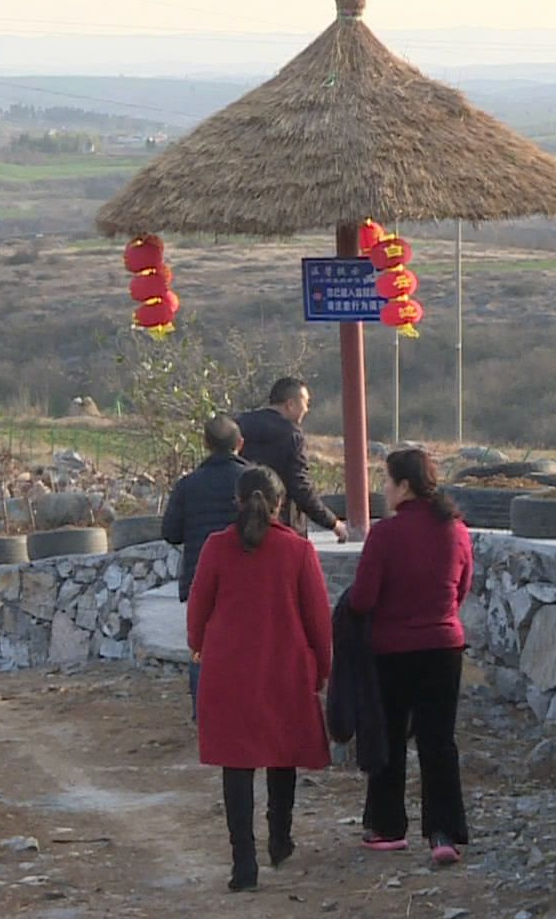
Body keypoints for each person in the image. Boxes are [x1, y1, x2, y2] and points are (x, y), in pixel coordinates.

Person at [186, 466, 333, 892]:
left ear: (236, 501)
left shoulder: (216, 548)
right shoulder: (299, 551)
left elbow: (198, 609)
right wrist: (322, 669)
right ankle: (280, 839)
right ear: (280, 504)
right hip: (285, 668)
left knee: (237, 764)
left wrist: (197, 647)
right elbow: (319, 621)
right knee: (281, 752)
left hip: (228, 671)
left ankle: (243, 864)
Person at [347, 448, 474, 866]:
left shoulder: (385, 535)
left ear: (403, 485)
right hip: (444, 647)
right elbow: (461, 589)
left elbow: (363, 597)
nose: (383, 490)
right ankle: (444, 833)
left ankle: (387, 827)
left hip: (392, 650)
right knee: (439, 741)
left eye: (386, 481)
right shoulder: (456, 530)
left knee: (391, 738)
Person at [161, 414, 249, 721]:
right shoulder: (251, 480)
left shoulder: (187, 485)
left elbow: (170, 532)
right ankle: (244, 707)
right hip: (246, 579)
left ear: (205, 444)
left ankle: (205, 713)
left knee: (202, 647)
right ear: (240, 444)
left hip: (201, 579)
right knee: (245, 647)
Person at [236, 378, 349, 544]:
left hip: (242, 525)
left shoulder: (239, 426)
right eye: (305, 403)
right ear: (290, 404)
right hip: (283, 525)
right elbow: (301, 488)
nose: (307, 409)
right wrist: (332, 522)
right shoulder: (292, 436)